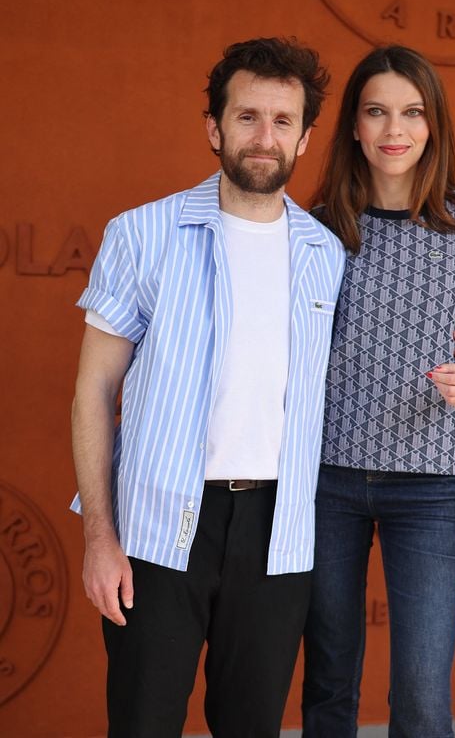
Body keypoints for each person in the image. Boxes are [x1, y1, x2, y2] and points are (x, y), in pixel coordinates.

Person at [70, 37, 345, 738]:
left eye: (283, 121)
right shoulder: (142, 234)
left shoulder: (325, 255)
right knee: (142, 723)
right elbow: (94, 389)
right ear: (214, 128)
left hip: (276, 533)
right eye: (247, 116)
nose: (264, 135)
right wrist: (100, 536)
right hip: (156, 530)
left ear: (306, 137)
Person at [302, 45, 455, 738]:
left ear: (433, 124)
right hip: (324, 477)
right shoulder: (320, 225)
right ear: (354, 127)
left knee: (421, 694)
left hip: (429, 483)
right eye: (377, 111)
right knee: (329, 682)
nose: (395, 128)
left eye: (412, 111)